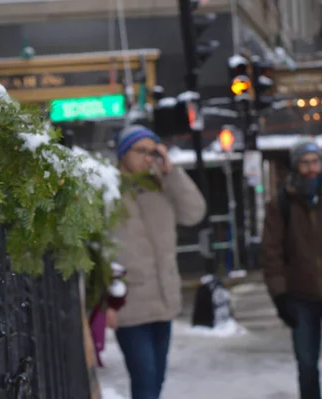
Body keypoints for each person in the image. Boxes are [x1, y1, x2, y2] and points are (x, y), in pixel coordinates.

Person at [260, 138, 322, 399]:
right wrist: (279, 295)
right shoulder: (281, 203)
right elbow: (271, 252)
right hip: (299, 293)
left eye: (315, 161)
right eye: (305, 163)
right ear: (296, 167)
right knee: (306, 362)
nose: (312, 168)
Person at [109, 125, 206, 399]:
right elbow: (96, 251)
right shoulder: (107, 190)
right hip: (129, 305)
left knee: (156, 380)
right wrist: (104, 303)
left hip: (164, 301)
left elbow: (195, 213)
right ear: (123, 153)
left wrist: (171, 171)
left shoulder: (162, 185)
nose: (148, 158)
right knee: (145, 381)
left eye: (153, 152)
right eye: (141, 151)